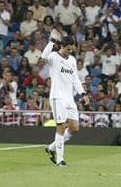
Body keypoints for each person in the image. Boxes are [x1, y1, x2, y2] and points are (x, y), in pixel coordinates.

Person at [43, 28, 89, 167]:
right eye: (68, 49)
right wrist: (52, 41)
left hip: (69, 98)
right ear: (62, 46)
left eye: (72, 49)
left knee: (74, 128)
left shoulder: (73, 60)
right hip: (57, 97)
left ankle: (51, 148)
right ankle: (60, 160)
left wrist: (83, 93)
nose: (70, 51)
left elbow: (75, 78)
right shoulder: (53, 58)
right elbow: (44, 56)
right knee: (61, 127)